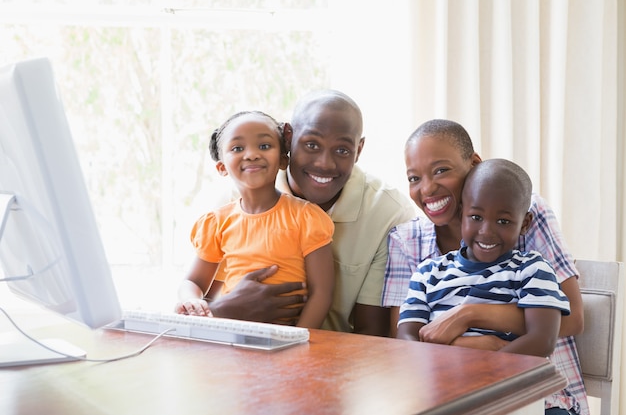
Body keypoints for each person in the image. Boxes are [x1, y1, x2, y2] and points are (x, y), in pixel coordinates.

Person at [383, 119, 588, 414]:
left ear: (473, 163)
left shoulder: (526, 218)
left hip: (536, 394)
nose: (427, 188)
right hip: (445, 391)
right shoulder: (417, 256)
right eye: (414, 178)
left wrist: (469, 315)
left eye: (441, 170)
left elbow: (569, 319)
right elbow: (407, 339)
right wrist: (474, 350)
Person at [176, 90, 416, 336]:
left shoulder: (389, 213)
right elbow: (200, 295)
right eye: (311, 144)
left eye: (342, 150)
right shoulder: (228, 206)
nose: (324, 163)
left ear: (359, 149)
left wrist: (295, 346)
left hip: (325, 357)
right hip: (237, 345)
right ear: (289, 138)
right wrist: (226, 309)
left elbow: (371, 333)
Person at [397, 158, 571, 359]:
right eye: (476, 217)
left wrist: (487, 371)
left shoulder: (532, 270)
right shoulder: (427, 274)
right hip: (440, 382)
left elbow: (542, 340)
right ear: (462, 213)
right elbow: (406, 339)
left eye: (503, 221)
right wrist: (463, 348)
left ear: (525, 224)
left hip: (505, 385)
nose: (487, 232)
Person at [175, 110, 335, 329]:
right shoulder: (217, 223)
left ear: (282, 159)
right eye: (238, 148)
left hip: (289, 340)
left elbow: (322, 294)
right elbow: (192, 282)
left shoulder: (306, 217)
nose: (251, 155)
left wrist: (297, 340)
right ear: (222, 167)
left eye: (264, 146)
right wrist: (191, 300)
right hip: (233, 337)